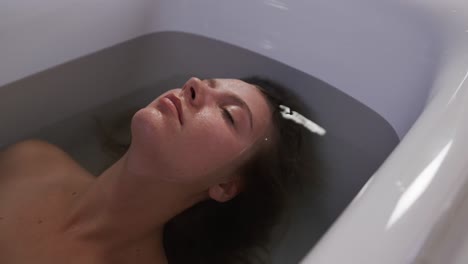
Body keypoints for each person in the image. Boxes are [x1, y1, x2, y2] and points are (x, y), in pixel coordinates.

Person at [0, 77, 313, 264]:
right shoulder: (30, 161)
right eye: (205, 83)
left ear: (225, 185)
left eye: (228, 114)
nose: (192, 86)